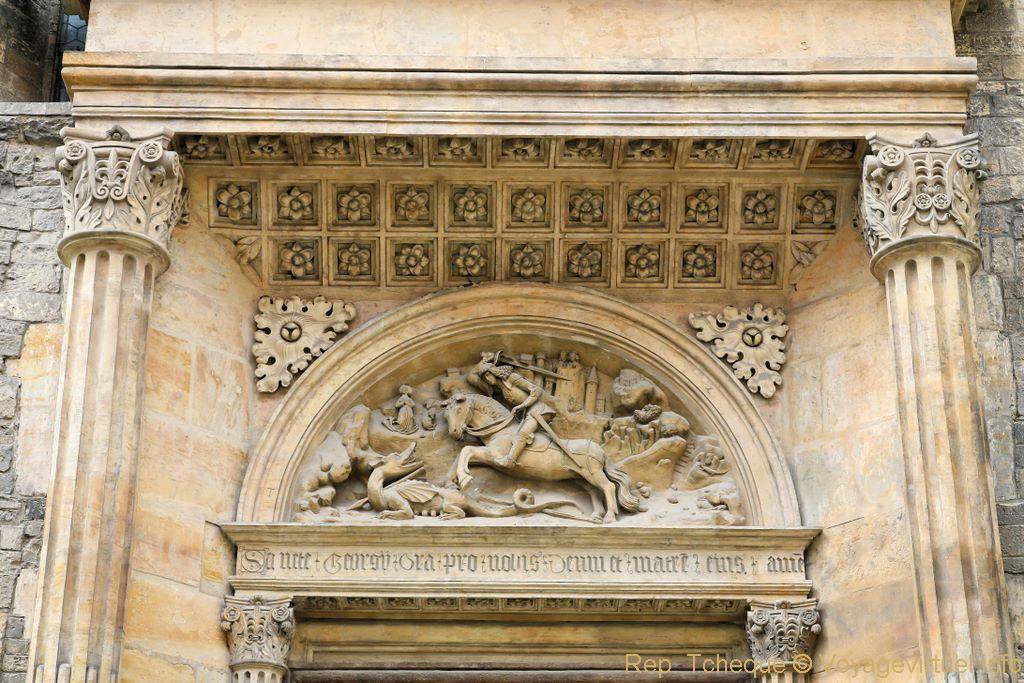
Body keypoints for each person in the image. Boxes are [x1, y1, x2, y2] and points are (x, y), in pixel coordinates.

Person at [468, 351, 558, 467]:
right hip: (526, 416)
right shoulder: (498, 389)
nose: (488, 379)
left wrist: (522, 405)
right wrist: (484, 360)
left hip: (539, 410)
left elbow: (536, 390)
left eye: (488, 375)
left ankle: (510, 460)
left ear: (494, 372)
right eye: (485, 378)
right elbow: (470, 377)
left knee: (523, 433)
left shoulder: (511, 378)